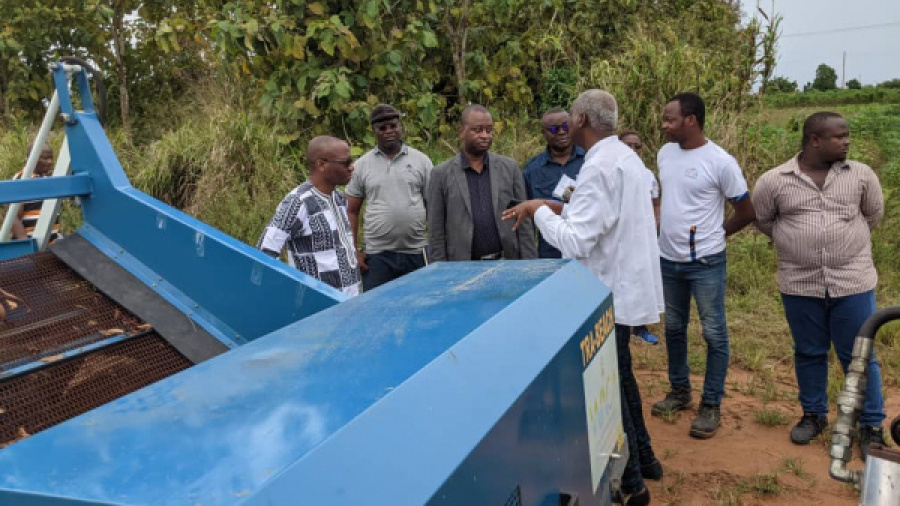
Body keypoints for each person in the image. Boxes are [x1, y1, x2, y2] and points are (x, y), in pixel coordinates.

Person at [504, 90, 665, 506]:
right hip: (624, 287)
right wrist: (550, 205)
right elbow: (598, 218)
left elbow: (576, 240)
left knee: (611, 386)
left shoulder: (599, 167)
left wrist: (539, 212)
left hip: (608, 292)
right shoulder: (625, 158)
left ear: (581, 119)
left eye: (571, 116)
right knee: (622, 376)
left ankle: (634, 484)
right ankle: (644, 461)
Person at [752, 112, 886, 457]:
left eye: (847, 135)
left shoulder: (860, 175)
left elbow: (873, 214)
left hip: (853, 281)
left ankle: (870, 424)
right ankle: (813, 415)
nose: (846, 141)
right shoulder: (774, 180)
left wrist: (842, 246)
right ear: (814, 140)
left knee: (859, 355)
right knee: (809, 351)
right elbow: (764, 220)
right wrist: (797, 243)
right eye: (838, 136)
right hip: (800, 283)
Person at [651, 92, 756, 440]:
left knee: (713, 332)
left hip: (706, 262)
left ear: (691, 120)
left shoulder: (720, 162)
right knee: (674, 328)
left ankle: (711, 404)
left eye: (670, 119)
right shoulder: (665, 153)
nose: (664, 125)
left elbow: (746, 211)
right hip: (669, 259)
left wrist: (716, 235)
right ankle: (680, 391)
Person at [427, 105, 537, 261]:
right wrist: (440, 269)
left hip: (506, 262)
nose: (485, 135)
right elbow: (436, 232)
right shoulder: (441, 174)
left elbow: (524, 222)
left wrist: (530, 264)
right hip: (462, 266)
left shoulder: (509, 168)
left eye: (489, 130)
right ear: (461, 131)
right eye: (477, 130)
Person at [257, 136, 361, 296]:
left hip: (349, 300)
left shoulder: (339, 198)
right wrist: (289, 293)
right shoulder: (298, 203)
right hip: (317, 303)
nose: (352, 167)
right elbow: (264, 253)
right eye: (345, 162)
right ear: (321, 165)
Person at [346, 104, 433, 291]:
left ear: (400, 127)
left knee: (419, 303)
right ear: (374, 131)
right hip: (377, 255)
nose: (389, 131)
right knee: (376, 306)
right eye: (382, 128)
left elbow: (433, 207)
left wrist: (435, 247)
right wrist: (354, 252)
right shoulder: (361, 165)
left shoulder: (422, 161)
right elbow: (351, 210)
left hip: (416, 251)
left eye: (393, 126)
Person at [522, 108, 585, 258]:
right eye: (554, 129)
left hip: (586, 249)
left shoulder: (589, 161)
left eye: (565, 126)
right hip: (550, 253)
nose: (561, 132)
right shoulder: (532, 170)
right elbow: (527, 219)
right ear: (544, 133)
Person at [619, 130, 660, 345]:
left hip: (642, 238)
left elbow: (656, 204)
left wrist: (654, 225)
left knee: (642, 280)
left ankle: (641, 327)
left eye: (637, 146)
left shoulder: (648, 175)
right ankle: (621, 324)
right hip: (620, 238)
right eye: (628, 145)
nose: (633, 150)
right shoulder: (613, 172)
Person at [10, 143, 61, 243]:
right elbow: (12, 216)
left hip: (51, 243)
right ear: (32, 158)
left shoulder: (46, 179)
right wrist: (25, 242)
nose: (49, 162)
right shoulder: (23, 178)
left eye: (51, 158)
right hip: (32, 242)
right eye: (45, 158)